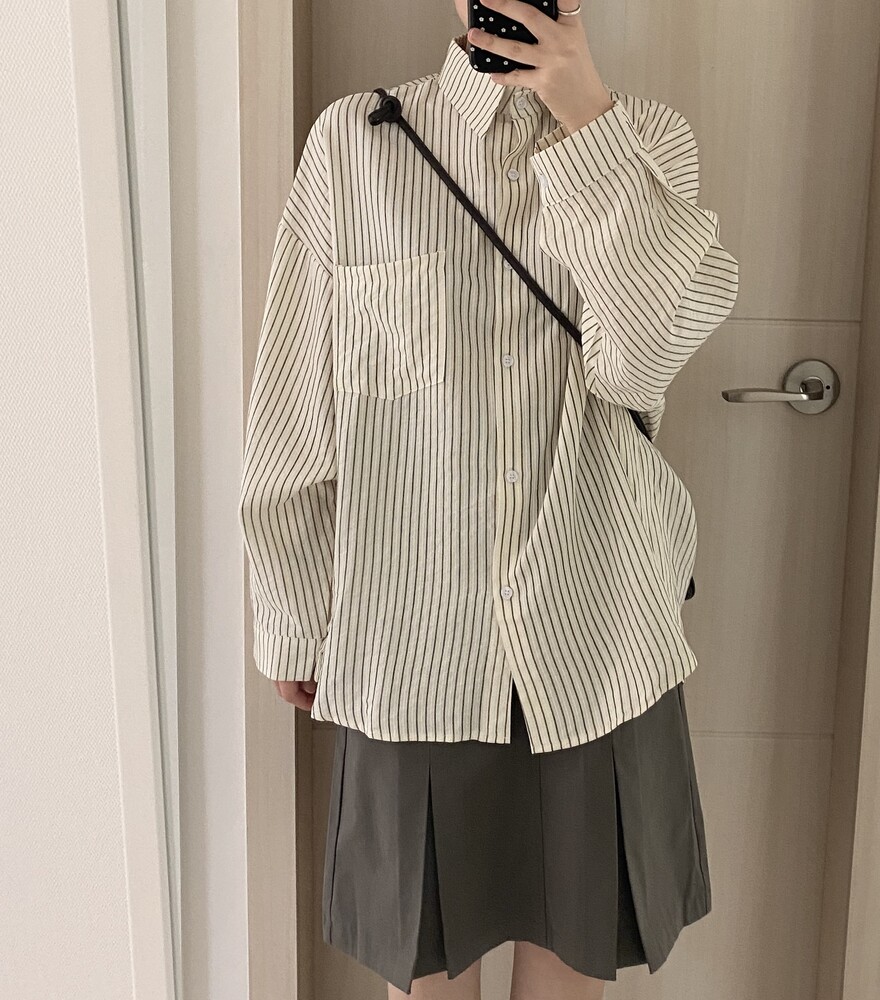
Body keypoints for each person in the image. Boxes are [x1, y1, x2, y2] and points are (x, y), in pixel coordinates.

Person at [239, 0, 739, 997]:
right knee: (426, 974)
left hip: (595, 635)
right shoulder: (357, 142)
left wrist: (587, 123)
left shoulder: (650, 144)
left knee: (571, 968)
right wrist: (293, 610)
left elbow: (641, 362)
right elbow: (295, 398)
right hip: (412, 636)